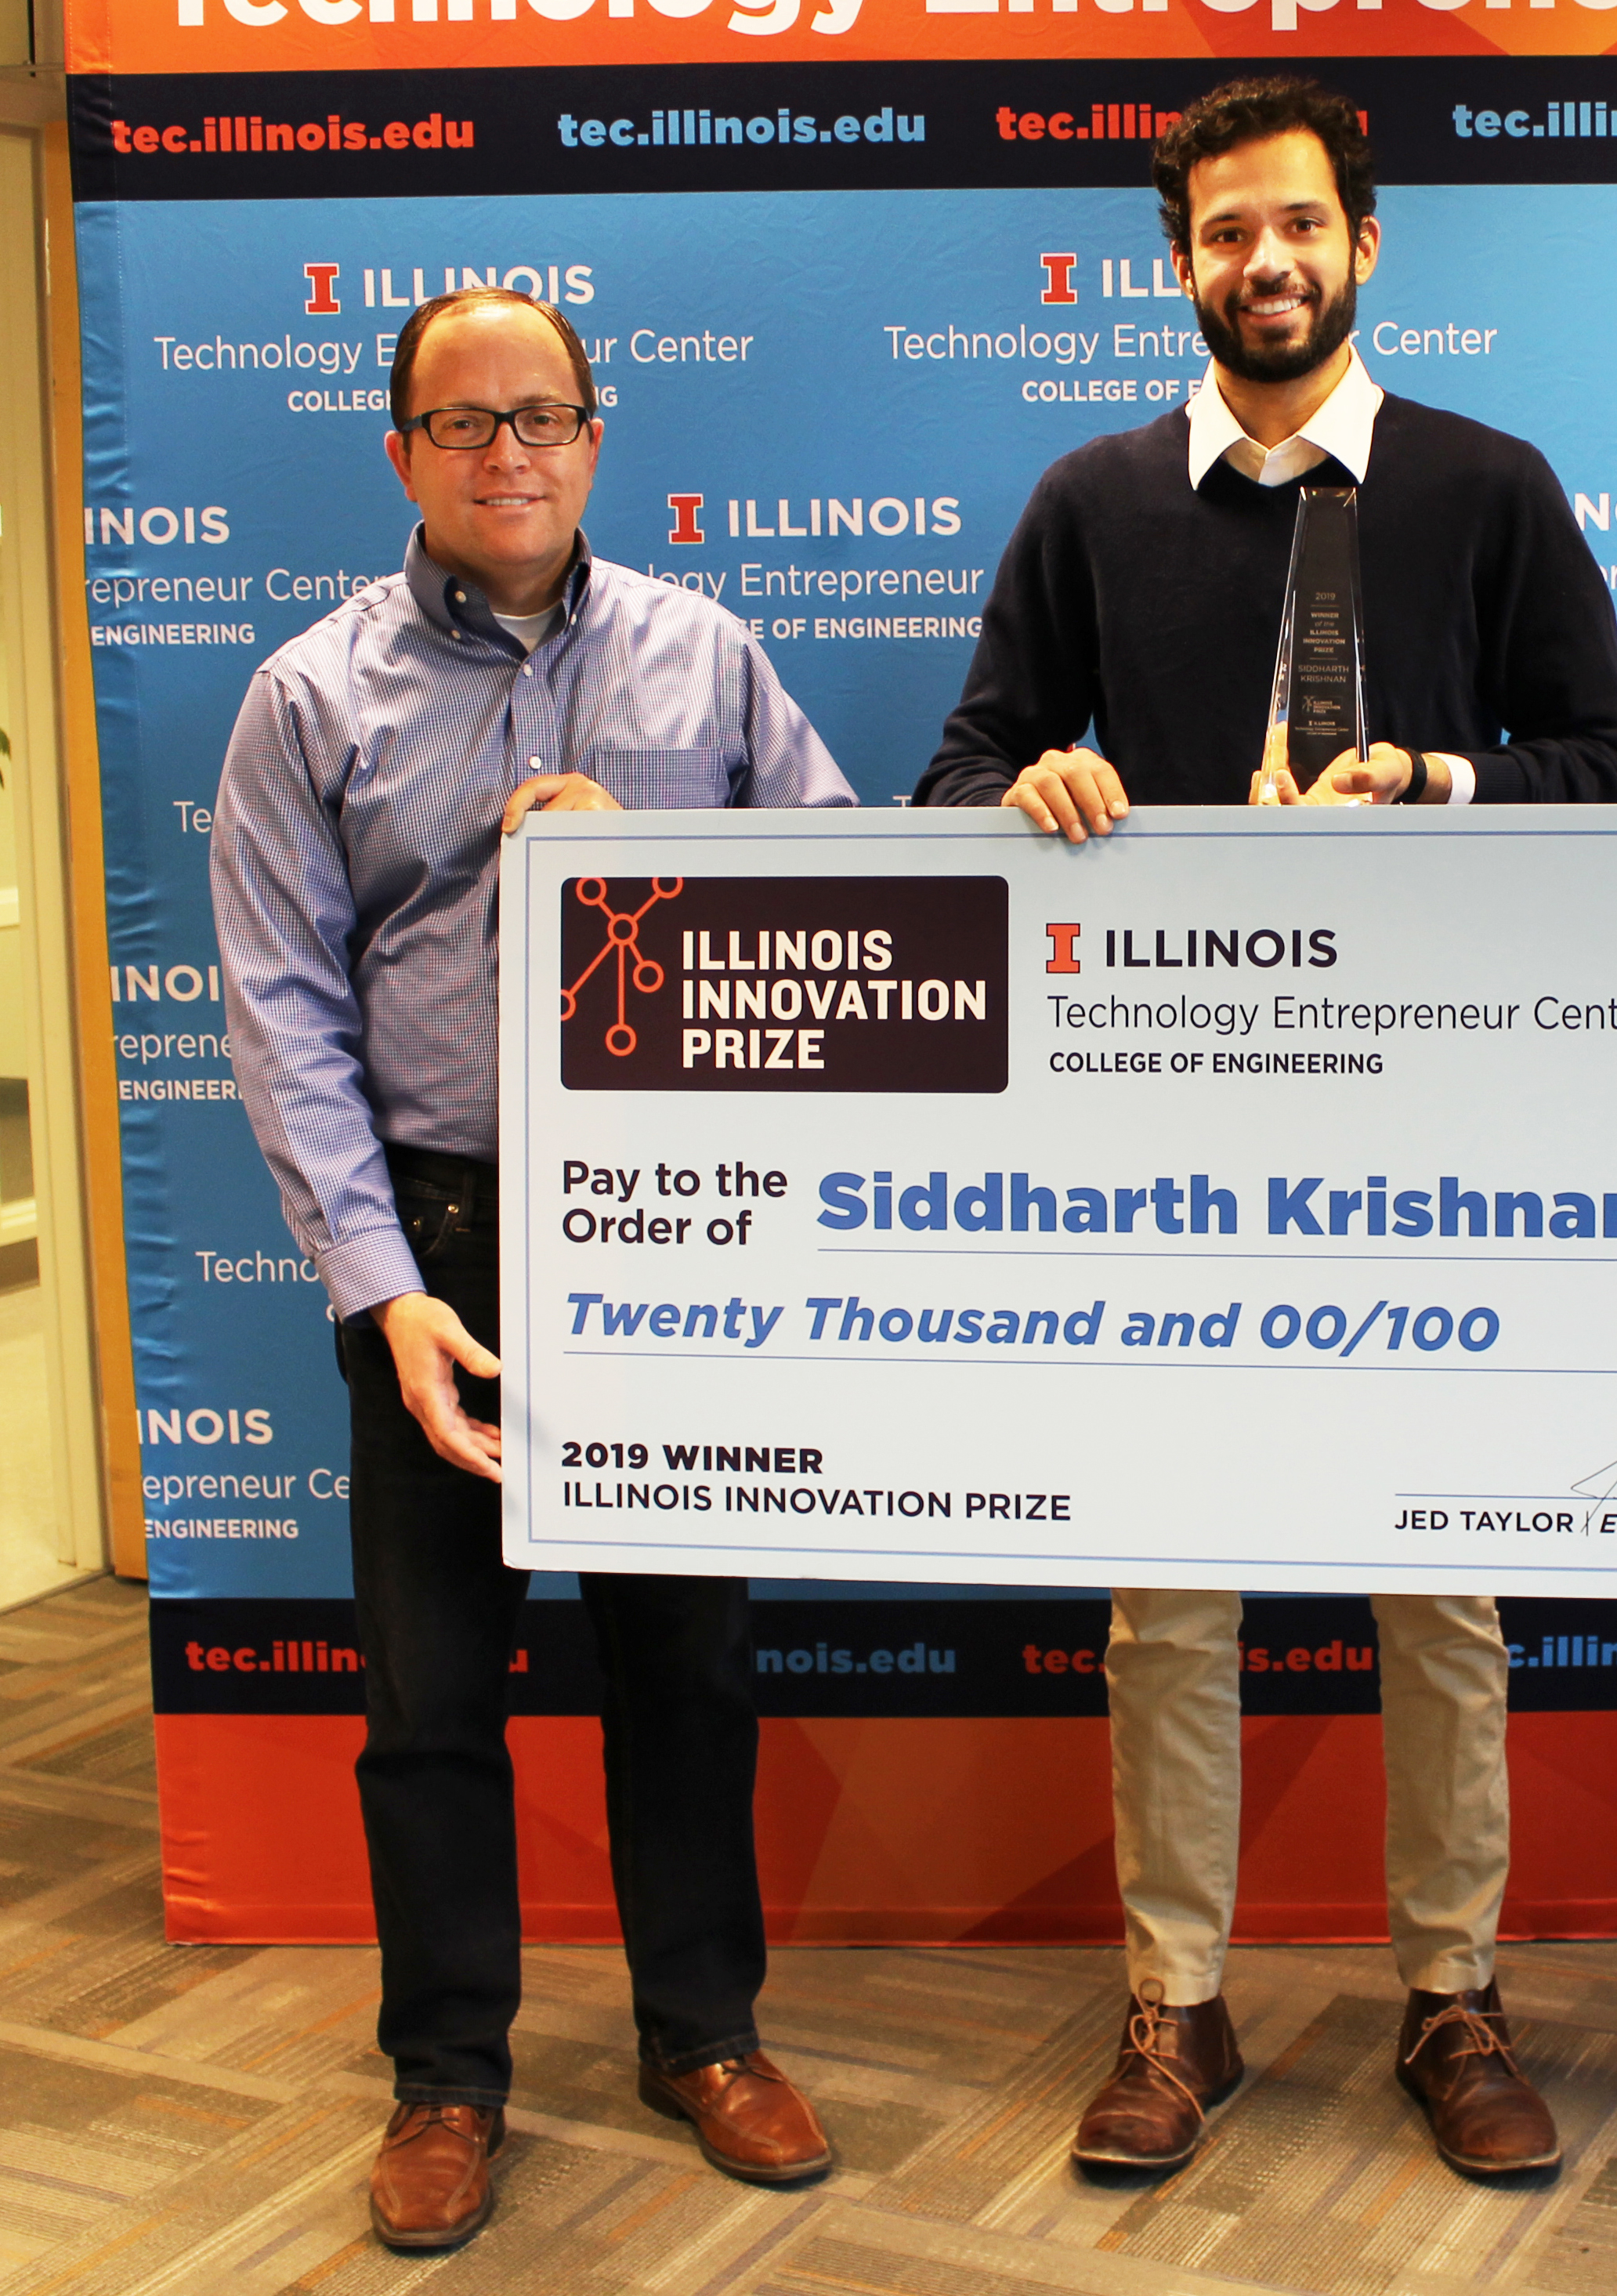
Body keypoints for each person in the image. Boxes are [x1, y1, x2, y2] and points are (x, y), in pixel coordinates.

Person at [917, 74, 1617, 2177]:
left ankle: (1450, 1991)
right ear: (1182, 264)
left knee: (1446, 1588)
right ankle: (1176, 2003)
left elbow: (1603, 770)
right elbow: (956, 771)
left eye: (1297, 228)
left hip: (1437, 1123)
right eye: (1225, 232)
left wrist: (1436, 783)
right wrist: (1026, 788)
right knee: (1168, 1599)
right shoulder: (1087, 500)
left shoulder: (1487, 489)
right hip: (1165, 1136)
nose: (1263, 264)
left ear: (1364, 246)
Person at [212, 287, 856, 2251]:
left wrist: (671, 876)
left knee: (689, 1663)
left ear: (597, 438)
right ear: (401, 451)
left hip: (676, 1239)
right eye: (463, 421)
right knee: (429, 1690)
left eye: (543, 415)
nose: (508, 451)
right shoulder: (308, 696)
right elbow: (279, 1006)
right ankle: (449, 2073)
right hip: (445, 1242)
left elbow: (848, 914)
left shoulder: (709, 657)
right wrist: (378, 1285)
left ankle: (704, 2029)